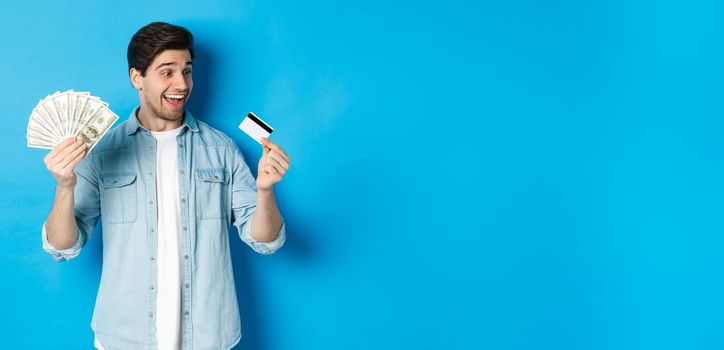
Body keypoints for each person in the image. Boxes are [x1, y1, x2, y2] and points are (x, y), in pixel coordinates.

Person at [41, 22, 290, 349]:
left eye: (187, 71)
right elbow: (63, 247)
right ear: (137, 78)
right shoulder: (102, 152)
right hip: (125, 337)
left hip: (208, 336)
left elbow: (265, 240)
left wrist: (265, 191)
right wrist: (64, 185)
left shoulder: (222, 149)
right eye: (167, 72)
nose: (182, 84)